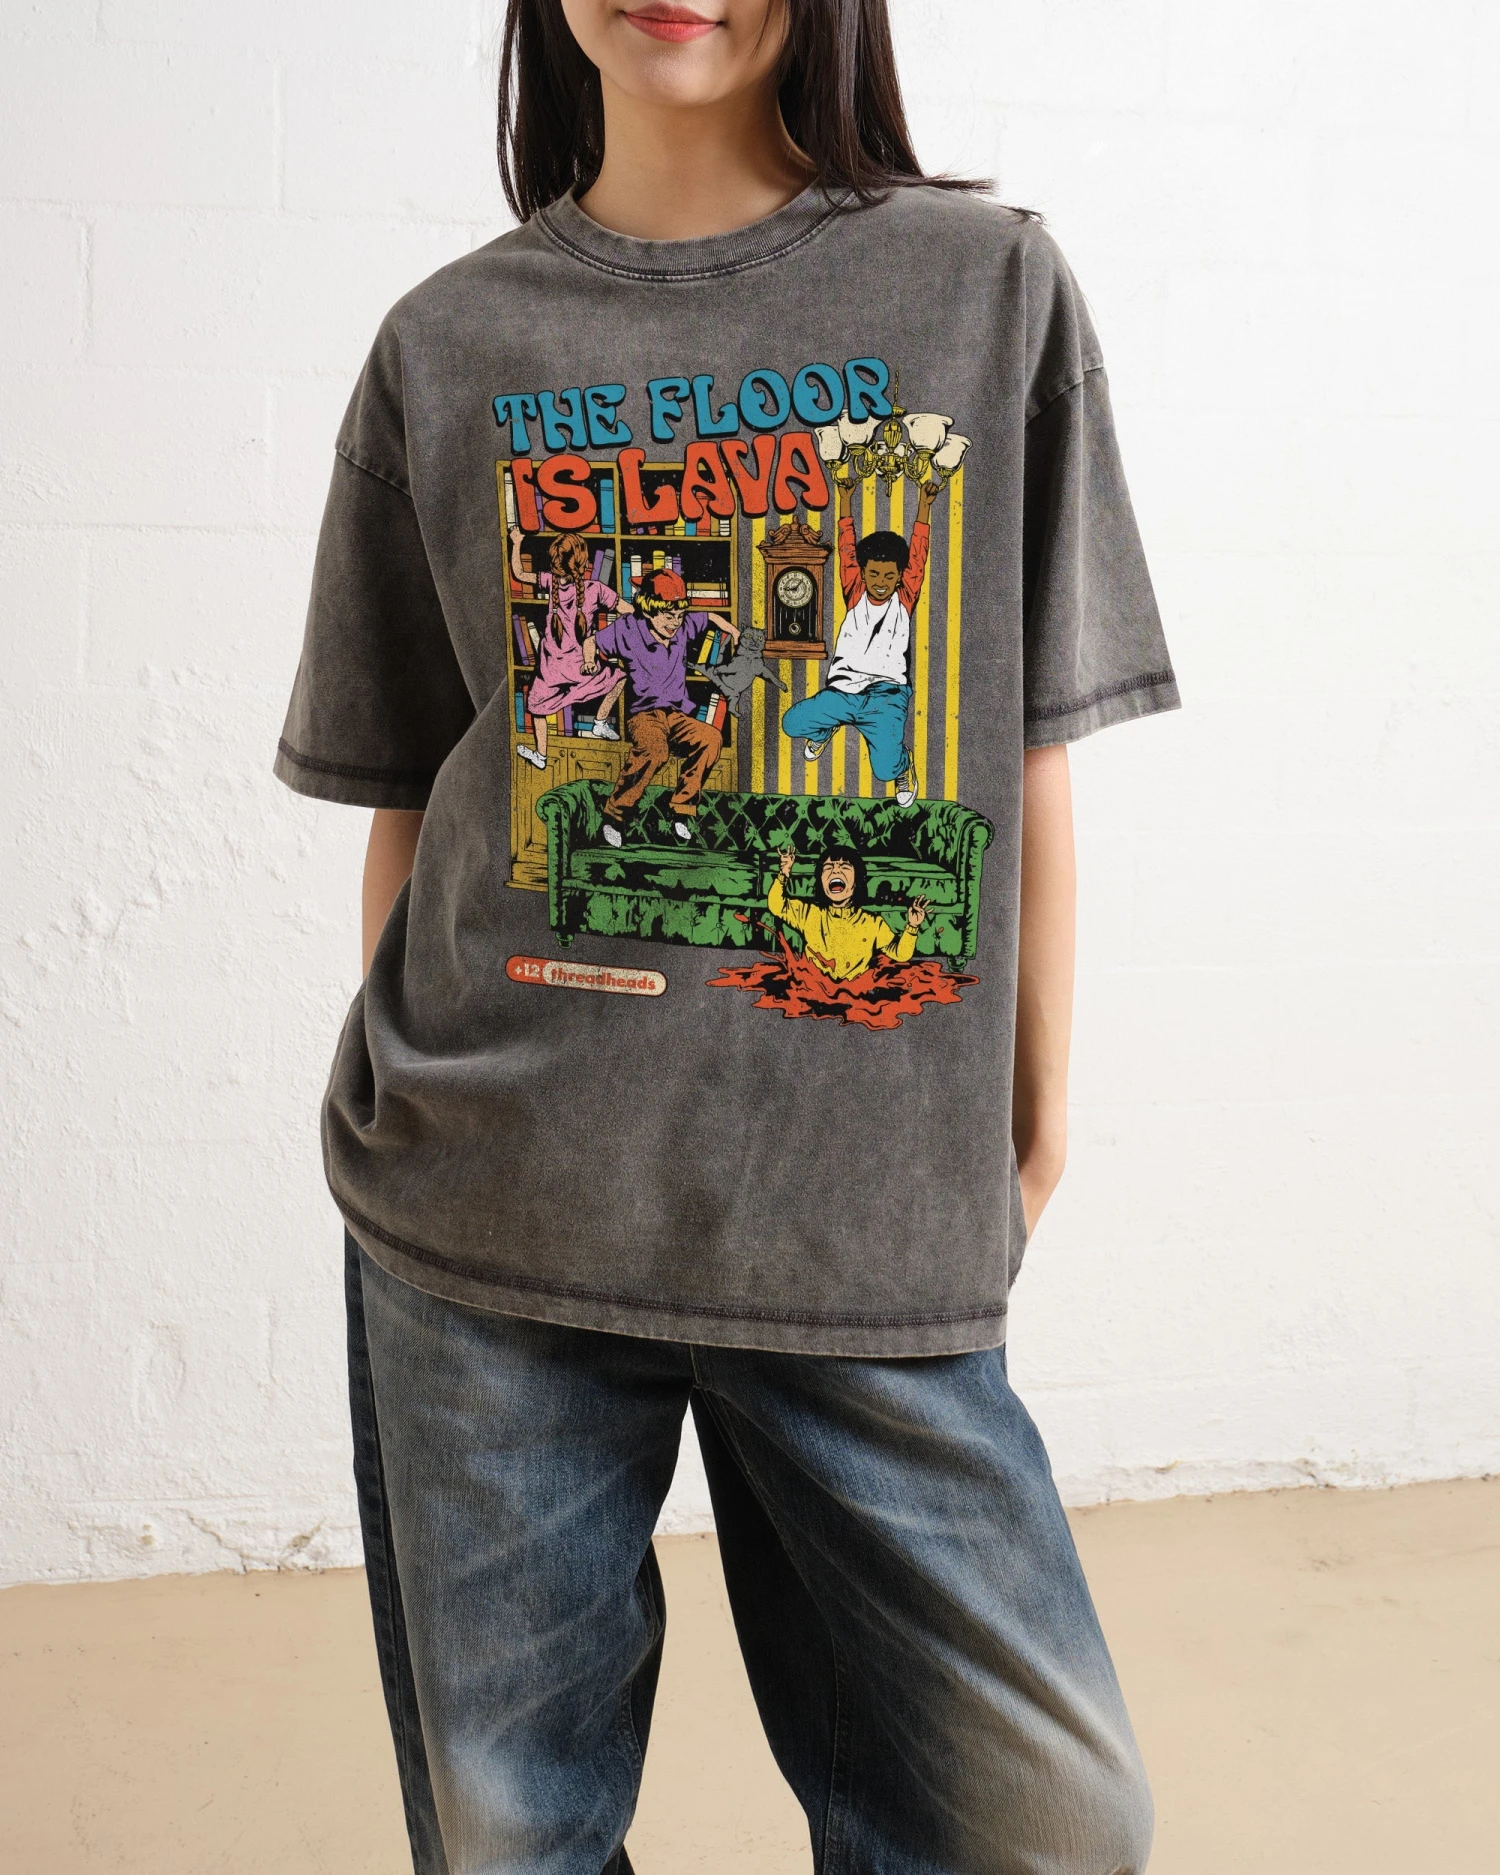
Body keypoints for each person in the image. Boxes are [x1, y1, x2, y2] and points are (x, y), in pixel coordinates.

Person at [273, 2, 1180, 1871]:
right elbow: (415, 790)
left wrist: (1033, 1113)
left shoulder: (985, 288)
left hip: (859, 1215)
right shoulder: (449, 343)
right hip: (491, 1216)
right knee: (510, 1834)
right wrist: (421, 1097)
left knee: (1048, 1823)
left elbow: (1027, 750)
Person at [781, 471, 938, 803]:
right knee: (792, 724)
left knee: (885, 770)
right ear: (863, 574)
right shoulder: (854, 592)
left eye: (889, 576)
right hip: (843, 691)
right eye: (874, 574)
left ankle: (904, 765)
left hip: (886, 696)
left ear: (899, 577)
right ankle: (825, 728)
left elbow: (918, 556)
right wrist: (845, 500)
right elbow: (846, 549)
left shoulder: (905, 598)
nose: (881, 582)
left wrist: (924, 506)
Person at [591, 567, 739, 845]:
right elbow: (592, 642)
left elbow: (709, 617)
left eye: (680, 616)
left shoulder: (683, 627)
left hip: (677, 716)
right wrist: (590, 663)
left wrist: (732, 630)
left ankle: (682, 811)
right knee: (655, 751)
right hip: (644, 716)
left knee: (711, 738)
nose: (675, 623)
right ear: (649, 610)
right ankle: (614, 817)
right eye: (669, 616)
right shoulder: (628, 628)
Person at [509, 526, 629, 766]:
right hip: (580, 667)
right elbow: (628, 611)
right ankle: (600, 722)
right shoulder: (595, 589)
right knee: (620, 677)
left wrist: (517, 542)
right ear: (584, 563)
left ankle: (541, 755)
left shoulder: (550, 581)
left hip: (550, 669)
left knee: (537, 708)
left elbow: (519, 574)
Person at [768, 840, 928, 981]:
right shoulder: (809, 914)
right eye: (828, 867)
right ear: (820, 879)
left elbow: (900, 954)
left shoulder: (872, 923)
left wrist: (912, 926)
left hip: (856, 994)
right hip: (813, 988)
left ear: (857, 879)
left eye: (844, 867)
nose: (835, 871)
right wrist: (783, 874)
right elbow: (776, 905)